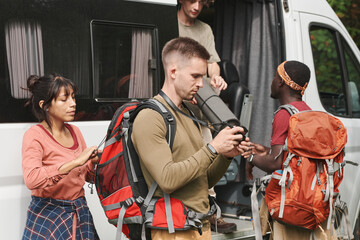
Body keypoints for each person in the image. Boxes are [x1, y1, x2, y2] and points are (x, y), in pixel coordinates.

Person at [131, 37, 247, 239]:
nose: (201, 84)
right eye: (195, 76)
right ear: (173, 72)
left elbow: (203, 179)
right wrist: (212, 148)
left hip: (198, 225)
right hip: (172, 230)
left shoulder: (189, 113)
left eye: (202, 76)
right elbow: (167, 179)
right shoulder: (150, 116)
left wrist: (225, 155)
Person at [241, 60, 336, 239]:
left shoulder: (284, 114)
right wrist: (265, 150)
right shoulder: (306, 112)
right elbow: (293, 155)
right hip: (311, 201)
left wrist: (251, 158)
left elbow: (277, 162)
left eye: (274, 77)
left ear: (280, 82)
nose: (272, 81)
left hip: (291, 203)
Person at [177, 0, 237, 232]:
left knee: (207, 153)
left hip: (199, 104)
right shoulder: (167, 21)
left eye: (202, 2)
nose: (197, 6)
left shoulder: (204, 30)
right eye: (192, 0)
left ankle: (210, 212)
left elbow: (212, 63)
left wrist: (215, 77)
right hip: (175, 104)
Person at [22, 74, 100, 240]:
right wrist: (75, 162)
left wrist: (93, 163)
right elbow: (32, 179)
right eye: (64, 99)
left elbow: (87, 176)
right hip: (48, 215)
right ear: (45, 106)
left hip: (79, 212)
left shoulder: (75, 131)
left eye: (73, 97)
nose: (73, 104)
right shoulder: (35, 135)